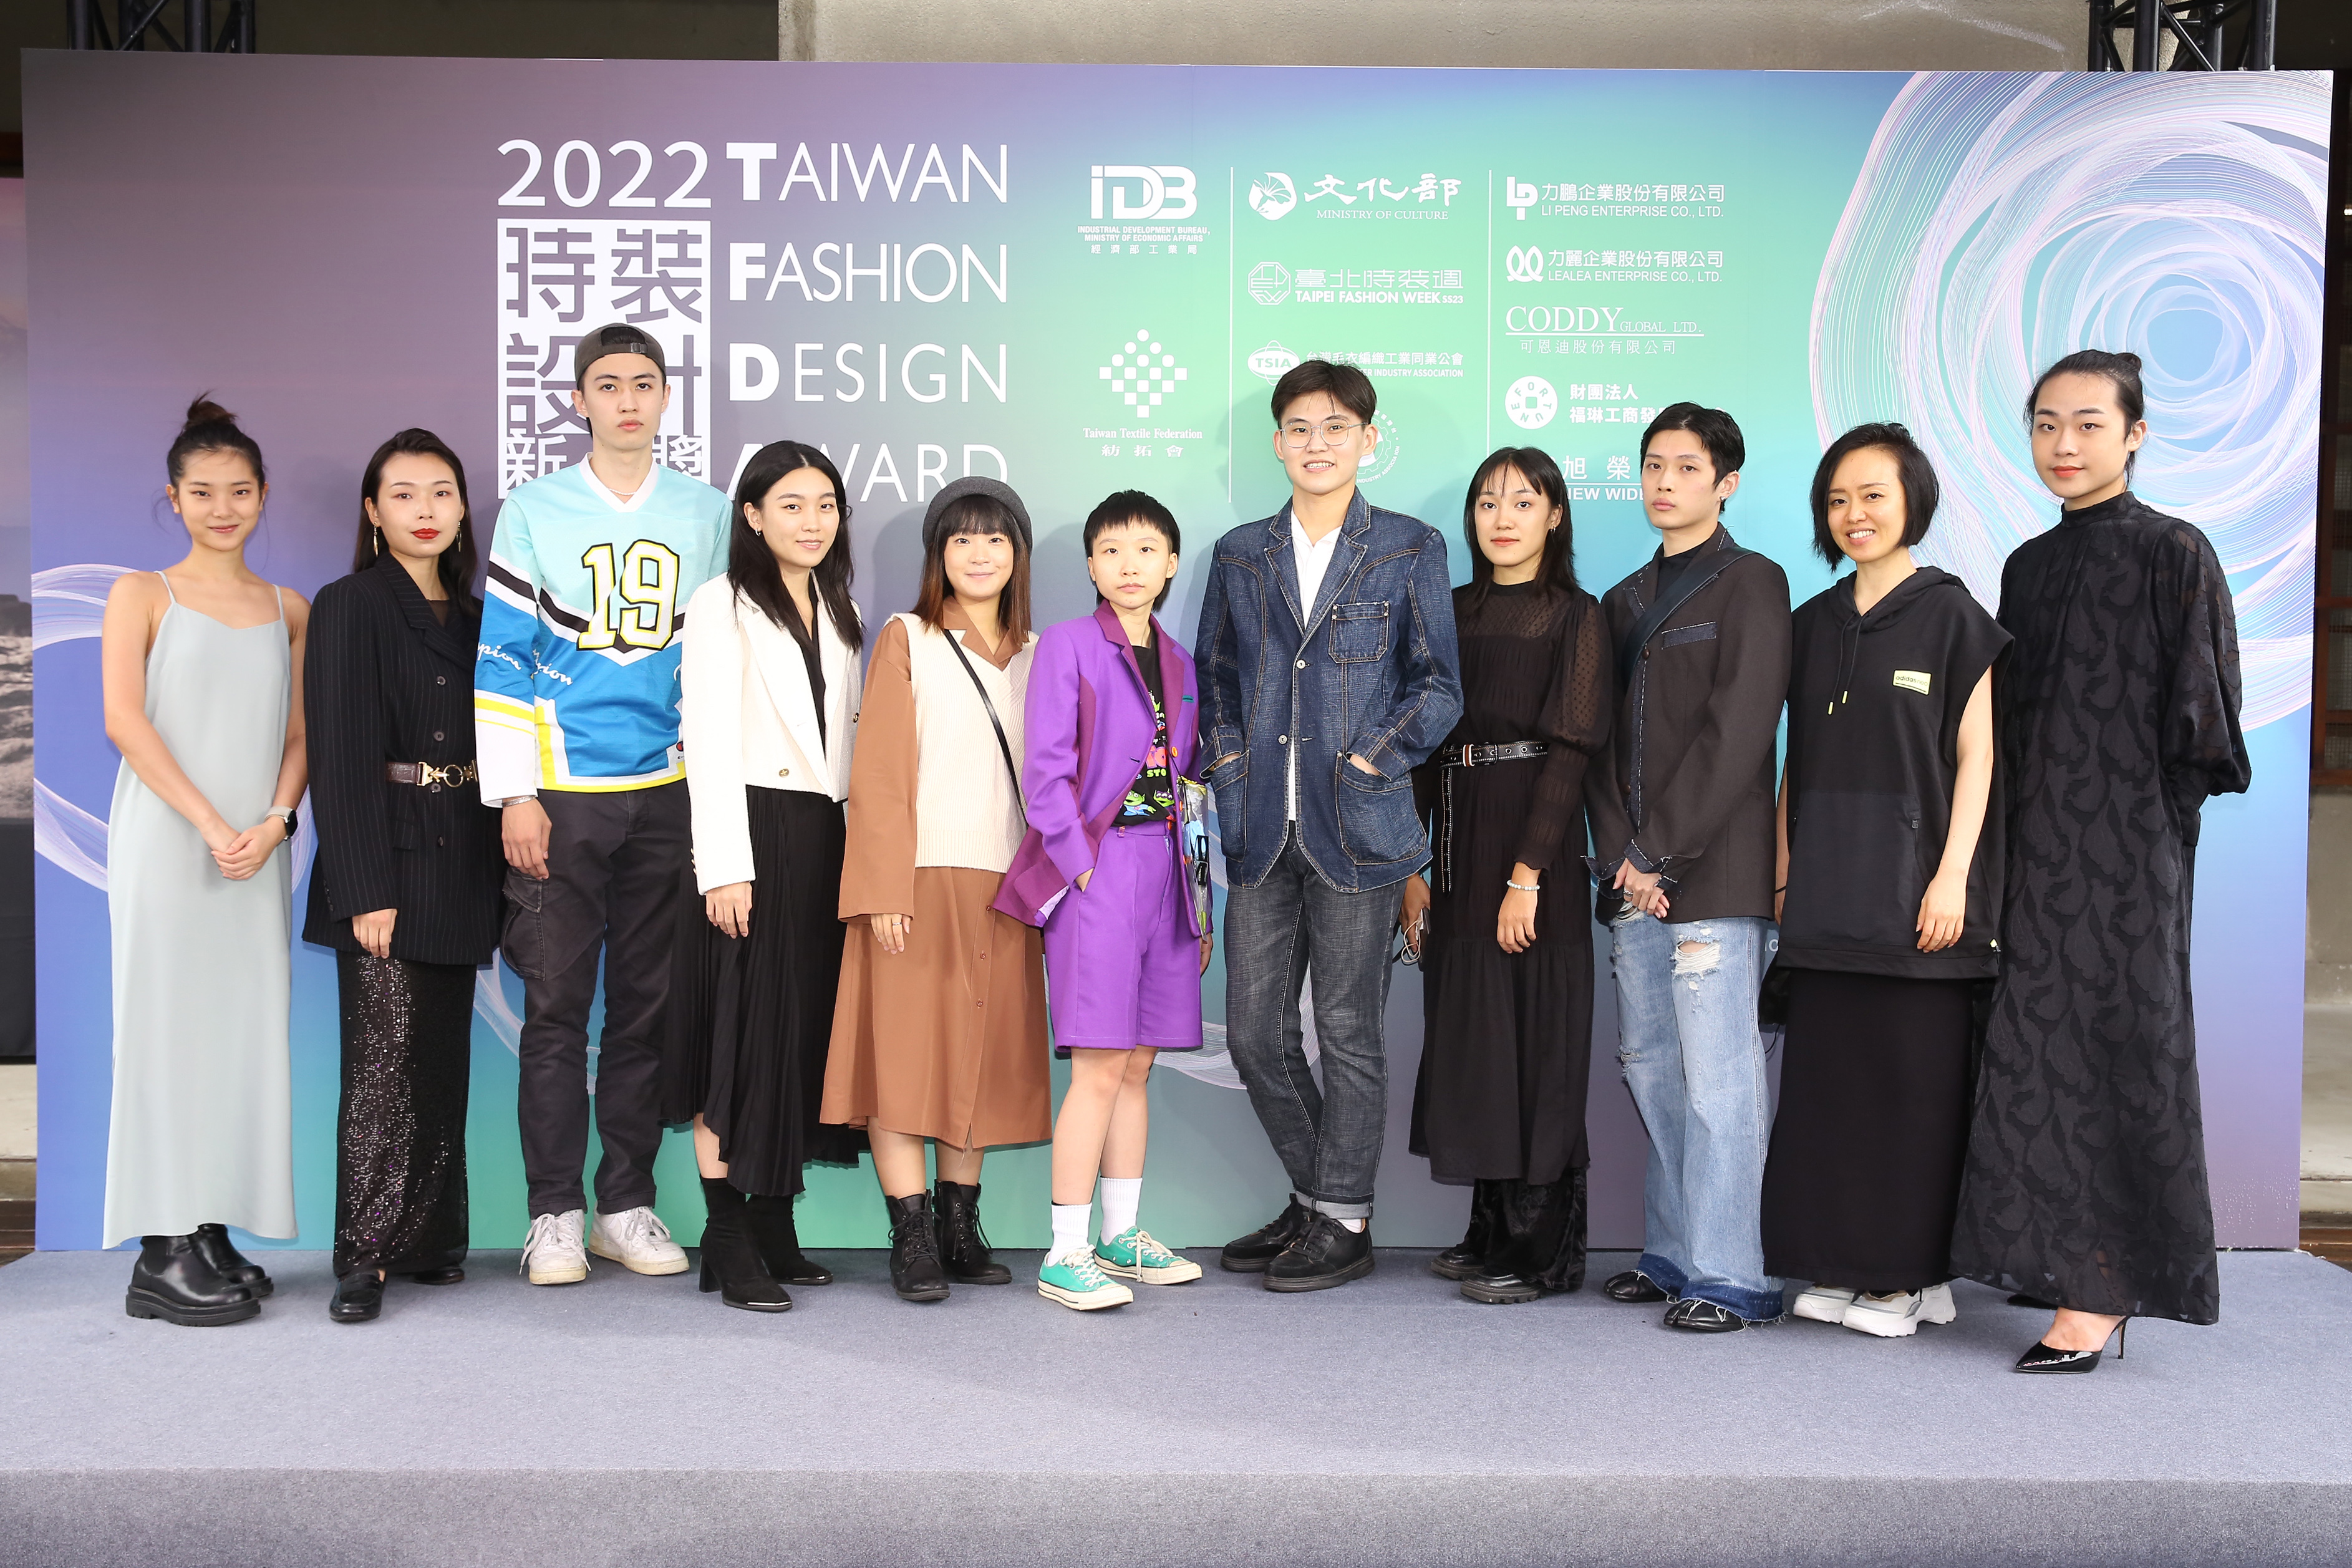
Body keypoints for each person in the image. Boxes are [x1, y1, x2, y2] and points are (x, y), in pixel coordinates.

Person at [1950, 350, 2250, 1373]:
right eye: (2046, 424)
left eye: (2087, 423)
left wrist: (2151, 829)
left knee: (2123, 1048)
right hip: (2033, 849)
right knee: (2034, 1051)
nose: (2064, 444)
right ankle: (2054, 1252)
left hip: (2129, 853)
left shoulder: (2176, 550)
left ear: (2135, 434)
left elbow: (2204, 721)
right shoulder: (2026, 567)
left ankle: (2104, 1288)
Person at [1194, 358, 1462, 1292]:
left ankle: (1339, 1216)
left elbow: (1439, 685)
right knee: (1254, 1036)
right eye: (1301, 428)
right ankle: (1324, 1201)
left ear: (1368, 440)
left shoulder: (1408, 546)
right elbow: (1216, 682)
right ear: (1277, 443)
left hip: (1361, 829)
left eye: (1337, 427)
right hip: (1260, 829)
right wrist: (1230, 769)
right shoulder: (1240, 554)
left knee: (1348, 1032)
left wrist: (1372, 760)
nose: (1318, 443)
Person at [474, 324, 732, 1287]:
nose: (628, 399)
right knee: (555, 1011)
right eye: (609, 384)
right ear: (579, 400)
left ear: (666, 396)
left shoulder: (707, 512)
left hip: (665, 792)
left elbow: (722, 660)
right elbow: (503, 656)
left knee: (645, 1011)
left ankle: (625, 1203)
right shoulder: (534, 509)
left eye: (644, 383)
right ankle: (553, 1214)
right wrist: (516, 792)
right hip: (562, 796)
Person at [1759, 423, 2008, 1340]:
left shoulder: (1954, 617)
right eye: (1838, 499)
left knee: (1913, 1096)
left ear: (1914, 503)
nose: (1854, 514)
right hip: (1827, 901)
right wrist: (1783, 872)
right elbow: (1797, 758)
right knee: (1832, 1094)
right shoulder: (1810, 624)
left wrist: (1952, 878)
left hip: (1918, 905)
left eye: (1874, 495)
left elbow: (1979, 757)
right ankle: (1845, 1264)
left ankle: (1907, 1278)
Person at [101, 398, 309, 1325]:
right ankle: (160, 1248)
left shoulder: (289, 608)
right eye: (202, 492)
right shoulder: (140, 593)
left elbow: (300, 736)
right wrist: (211, 824)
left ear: (263, 495)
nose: (222, 508)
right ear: (174, 498)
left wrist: (272, 823)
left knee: (238, 1038)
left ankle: (208, 1225)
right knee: (163, 1031)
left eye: (239, 491)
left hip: (254, 855)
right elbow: (124, 721)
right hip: (169, 846)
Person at [1585, 401, 1791, 1334]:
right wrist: (1624, 855)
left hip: (1713, 876)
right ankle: (1673, 1253)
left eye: (1687, 468)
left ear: (1726, 483)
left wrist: (1655, 850)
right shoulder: (1622, 599)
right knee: (1653, 1071)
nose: (1665, 483)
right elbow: (1597, 745)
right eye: (1653, 466)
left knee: (1720, 1080)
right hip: (1634, 881)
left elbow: (1738, 732)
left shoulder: (1752, 582)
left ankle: (1734, 1272)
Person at [822, 477, 1048, 1303]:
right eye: (961, 539)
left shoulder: (1041, 653)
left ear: (1018, 554)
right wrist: (883, 886)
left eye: (996, 538)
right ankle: (911, 1233)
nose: (979, 554)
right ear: (937, 555)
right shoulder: (907, 637)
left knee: (978, 1058)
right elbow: (878, 773)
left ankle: (960, 1225)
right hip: (914, 881)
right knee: (904, 1060)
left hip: (1010, 887)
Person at [304, 429, 505, 1325]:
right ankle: (365, 1255)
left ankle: (430, 1239)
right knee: (381, 1067)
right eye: (404, 494)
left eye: (441, 493)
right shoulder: (349, 604)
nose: (425, 510)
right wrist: (363, 888)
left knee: (441, 1065)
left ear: (462, 509)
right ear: (373, 511)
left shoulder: (480, 617)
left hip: (464, 853)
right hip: (385, 856)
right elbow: (340, 753)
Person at [1401, 448, 1612, 1305]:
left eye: (1523, 501)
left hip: (1536, 843)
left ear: (1555, 516)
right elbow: (1421, 746)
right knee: (1477, 1037)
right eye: (1488, 501)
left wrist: (1528, 873)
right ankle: (1490, 1229)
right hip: (1457, 843)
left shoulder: (1578, 616)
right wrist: (1412, 865)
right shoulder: (1447, 612)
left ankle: (1543, 1250)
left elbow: (1573, 750)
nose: (1503, 517)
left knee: (1537, 1037)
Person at [997, 491, 1212, 1312]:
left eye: (1147, 549)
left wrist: (1199, 901)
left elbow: (1191, 783)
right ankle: (1065, 1251)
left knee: (1139, 1062)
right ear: (1090, 564)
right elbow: (1045, 769)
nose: (1130, 565)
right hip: (1099, 867)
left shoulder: (1181, 660)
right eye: (1113, 550)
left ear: (1170, 563)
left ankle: (1121, 1234)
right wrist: (1080, 867)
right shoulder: (1067, 645)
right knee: (1097, 1062)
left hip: (1169, 869)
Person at [667, 440, 866, 1313]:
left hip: (823, 839)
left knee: (799, 1035)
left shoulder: (842, 605)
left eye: (825, 505)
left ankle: (774, 1223)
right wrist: (724, 868)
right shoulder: (721, 603)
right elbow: (708, 739)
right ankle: (725, 1232)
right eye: (791, 504)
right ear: (751, 515)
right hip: (748, 835)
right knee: (736, 1037)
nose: (812, 521)